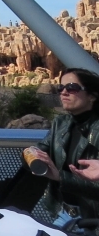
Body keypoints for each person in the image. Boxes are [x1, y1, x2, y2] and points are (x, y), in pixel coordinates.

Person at [24, 68, 99, 226]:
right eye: (61, 88)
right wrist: (32, 154)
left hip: (93, 219)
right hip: (63, 214)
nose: (64, 92)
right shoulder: (61, 123)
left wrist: (60, 176)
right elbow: (42, 147)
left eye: (72, 88)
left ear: (92, 96)